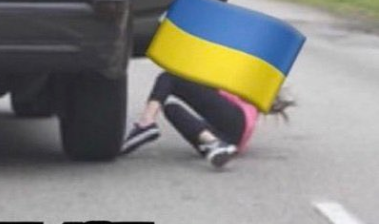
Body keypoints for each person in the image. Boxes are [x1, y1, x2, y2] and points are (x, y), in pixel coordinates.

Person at [121, 72, 293, 168]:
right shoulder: (251, 105)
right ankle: (213, 143)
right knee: (171, 108)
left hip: (235, 119)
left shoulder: (236, 83)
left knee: (168, 78)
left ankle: (146, 122)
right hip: (232, 141)